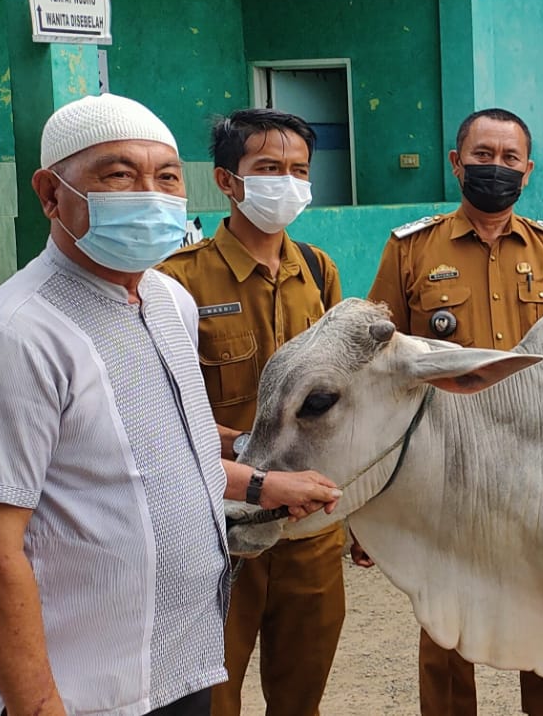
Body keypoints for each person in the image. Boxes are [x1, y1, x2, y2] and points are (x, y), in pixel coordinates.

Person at [0, 94, 341, 716]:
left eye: (166, 176)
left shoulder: (166, 302)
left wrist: (262, 486)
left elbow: (164, 453)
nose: (149, 193)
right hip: (79, 689)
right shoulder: (13, 335)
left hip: (180, 666)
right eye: (119, 174)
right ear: (50, 194)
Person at [366, 107, 543, 716]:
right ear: (456, 163)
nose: (496, 168)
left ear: (529, 171)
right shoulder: (411, 249)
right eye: (482, 155)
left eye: (509, 158)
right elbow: (379, 363)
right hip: (445, 471)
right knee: (446, 621)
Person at [158, 109, 346, 716]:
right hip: (218, 528)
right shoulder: (177, 281)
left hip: (308, 527)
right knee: (213, 697)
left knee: (302, 694)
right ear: (227, 180)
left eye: (298, 169)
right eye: (268, 168)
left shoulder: (318, 272)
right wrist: (247, 459)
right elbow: (164, 411)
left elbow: (347, 400)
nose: (285, 181)